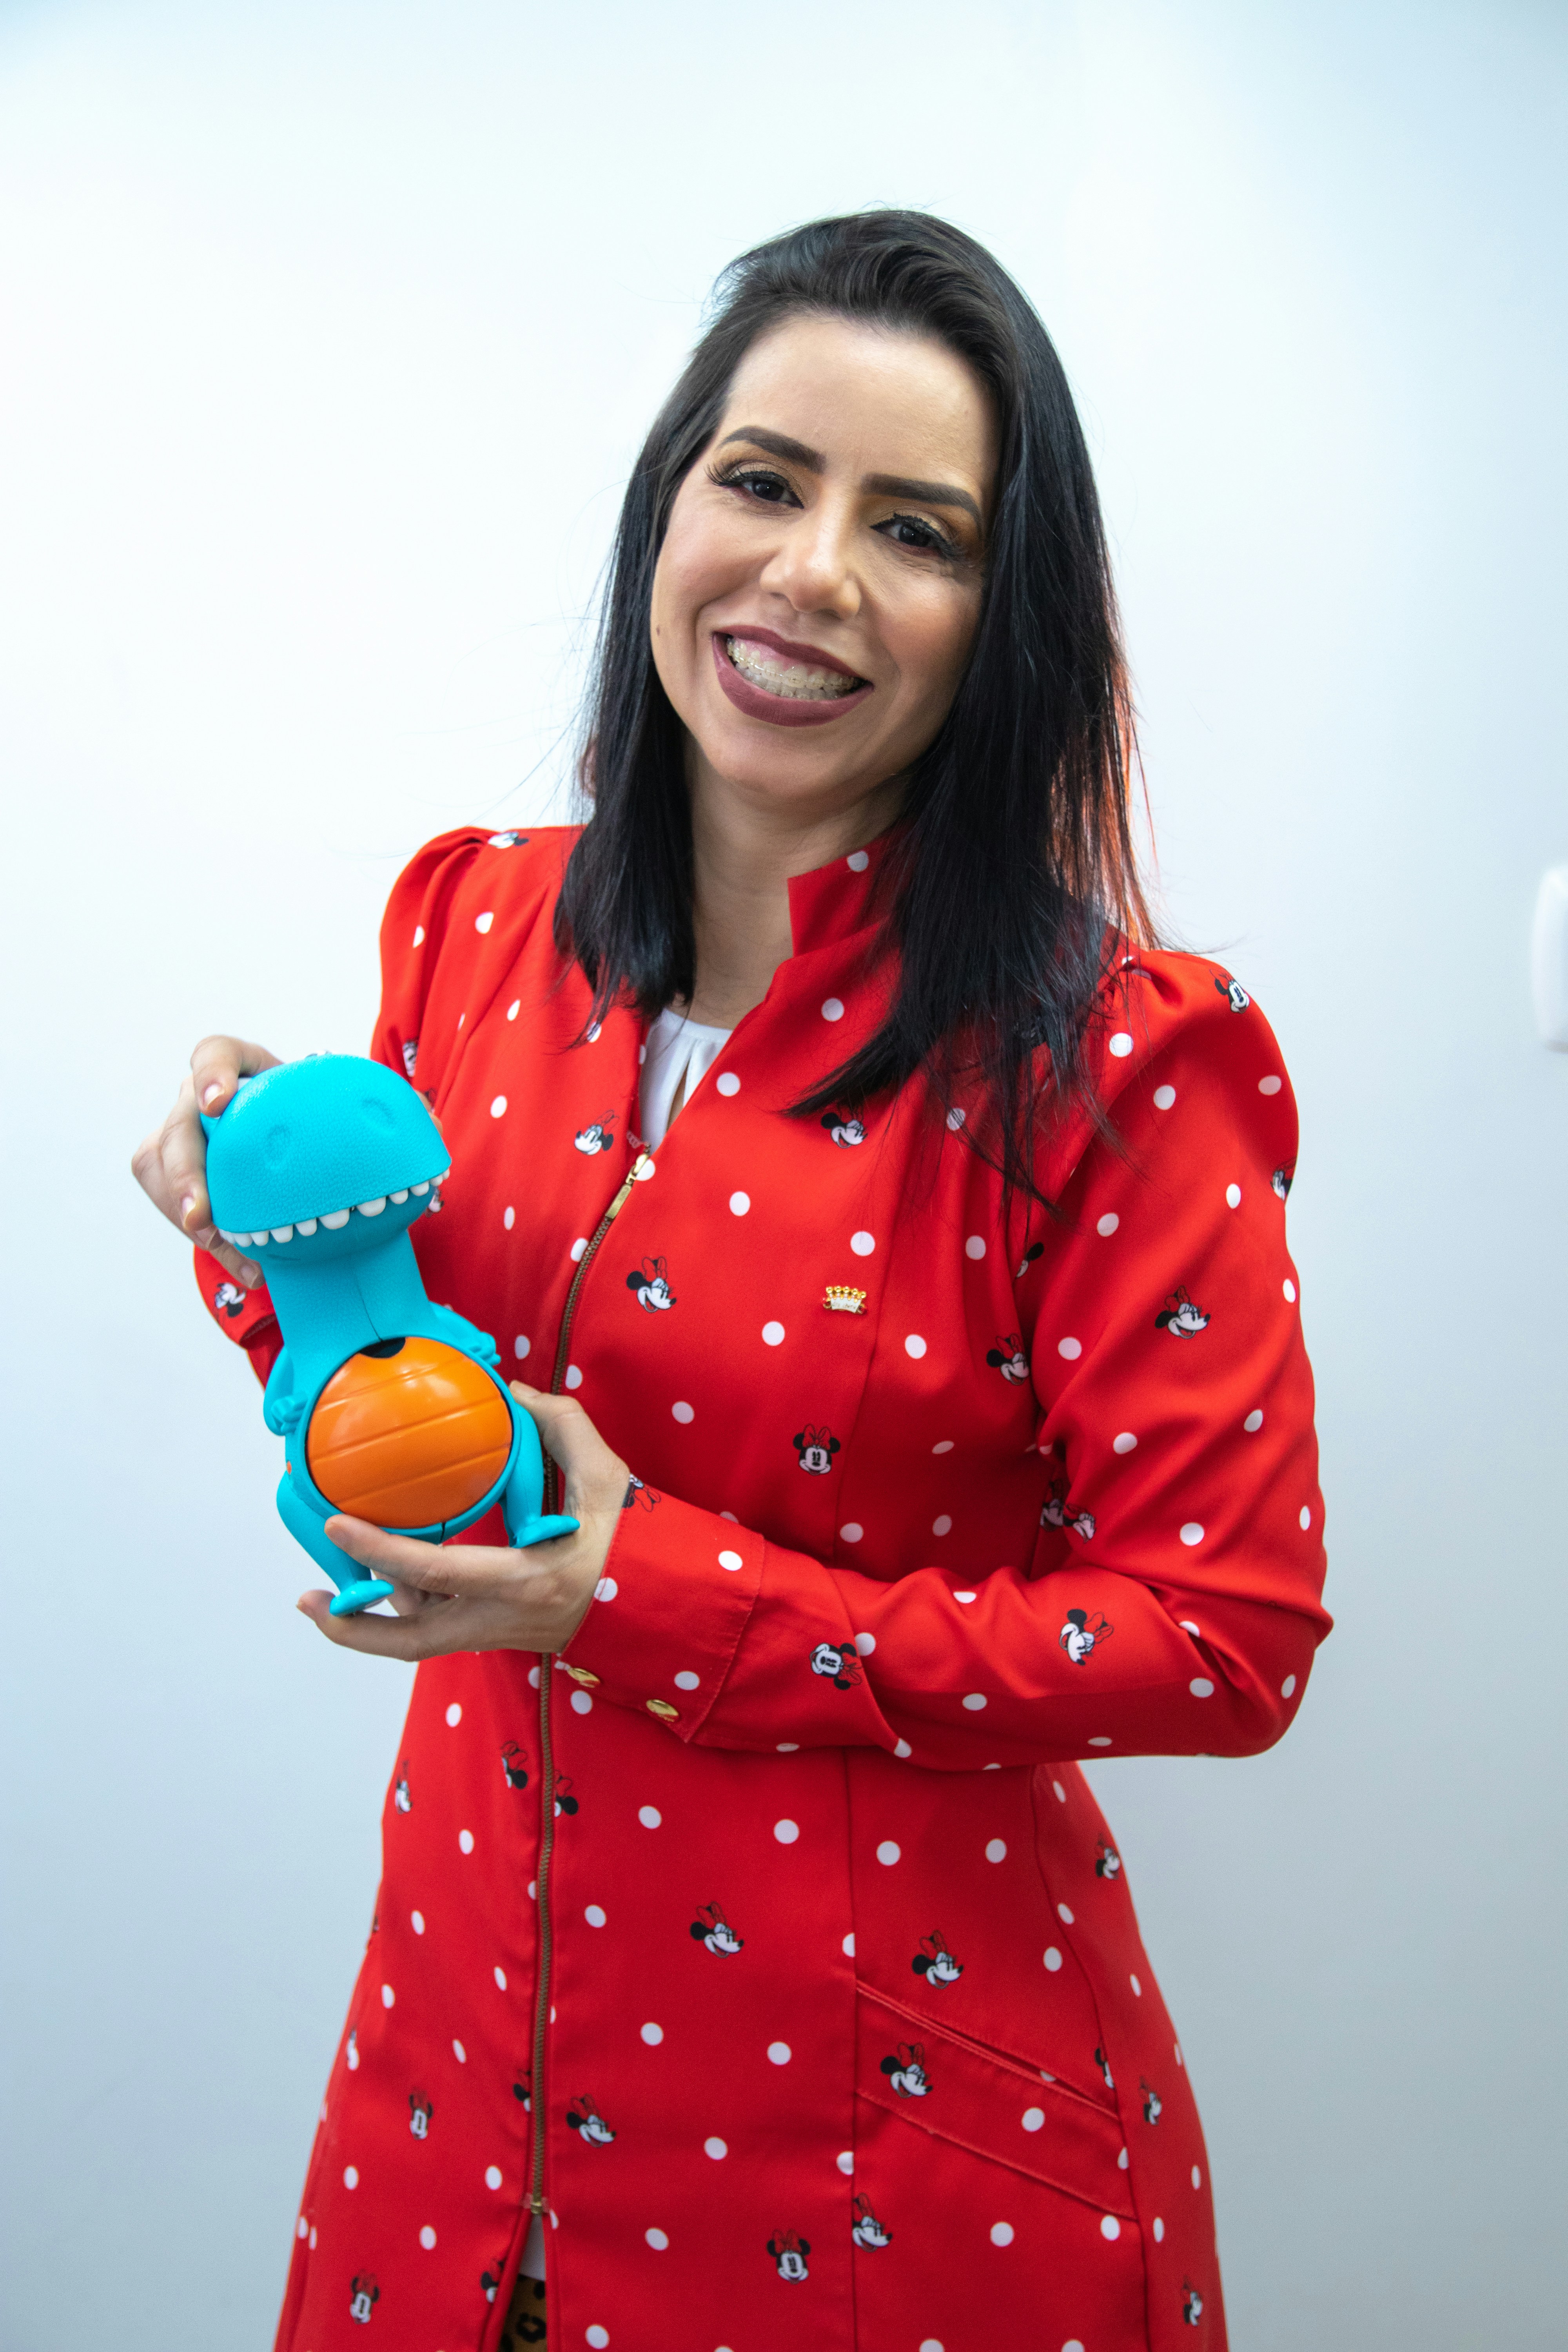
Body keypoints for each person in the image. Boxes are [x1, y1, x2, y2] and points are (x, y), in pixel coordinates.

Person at [133, 210, 1329, 2352]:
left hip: (889, 2169)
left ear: (1003, 622)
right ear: (668, 503)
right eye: (765, 481)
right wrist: (270, 1229)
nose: (813, 576)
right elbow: (398, 1390)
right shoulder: (466, 927)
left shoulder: (1120, 1062)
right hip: (452, 2095)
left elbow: (1226, 1641)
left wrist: (660, 1595)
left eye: (920, 530)